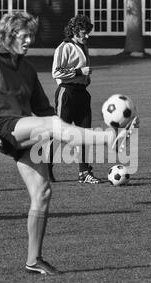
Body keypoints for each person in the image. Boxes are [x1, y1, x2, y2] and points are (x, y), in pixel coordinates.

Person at [0, 12, 137, 275]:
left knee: (43, 194)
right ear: (8, 36)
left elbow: (43, 108)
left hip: (24, 133)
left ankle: (34, 260)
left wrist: (62, 128)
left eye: (31, 35)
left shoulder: (28, 70)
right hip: (1, 128)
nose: (29, 40)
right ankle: (110, 137)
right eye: (24, 36)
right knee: (51, 125)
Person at [51, 15, 101, 184]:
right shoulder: (64, 47)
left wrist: (85, 79)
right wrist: (80, 72)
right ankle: (46, 167)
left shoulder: (83, 46)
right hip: (67, 93)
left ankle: (84, 172)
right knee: (58, 134)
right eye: (84, 32)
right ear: (74, 30)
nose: (87, 36)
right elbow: (56, 72)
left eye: (88, 33)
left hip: (82, 94)